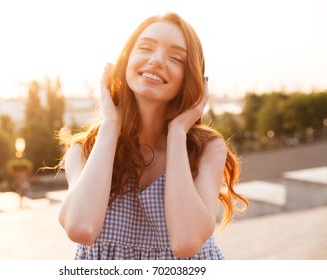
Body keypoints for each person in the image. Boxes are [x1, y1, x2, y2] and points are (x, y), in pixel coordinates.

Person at [57, 12, 247, 260]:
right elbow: (81, 228)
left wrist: (177, 133)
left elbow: (186, 243)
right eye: (146, 48)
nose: (156, 61)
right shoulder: (85, 149)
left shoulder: (206, 150)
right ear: (126, 61)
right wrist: (111, 125)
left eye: (176, 58)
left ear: (190, 78)